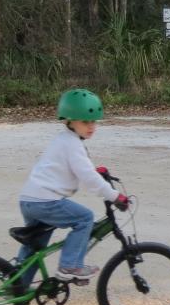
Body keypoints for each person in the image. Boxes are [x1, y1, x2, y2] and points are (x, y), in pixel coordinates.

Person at [15, 88, 130, 284]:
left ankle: (18, 285)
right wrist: (115, 196)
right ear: (69, 120)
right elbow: (88, 177)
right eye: (85, 121)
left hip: (30, 200)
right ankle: (70, 266)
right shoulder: (73, 144)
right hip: (46, 202)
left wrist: (96, 172)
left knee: (36, 245)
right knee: (85, 218)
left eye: (94, 121)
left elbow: (77, 168)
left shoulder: (64, 139)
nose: (91, 126)